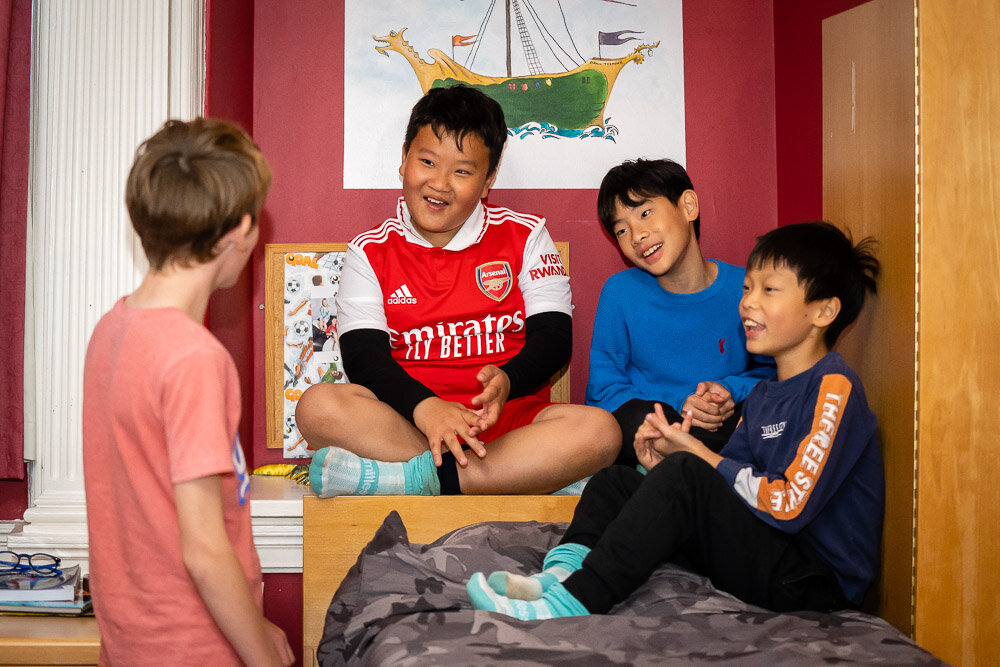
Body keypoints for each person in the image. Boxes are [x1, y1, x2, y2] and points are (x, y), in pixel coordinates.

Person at [467, 221, 884, 620]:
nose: (748, 303)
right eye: (746, 288)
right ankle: (561, 577)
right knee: (616, 481)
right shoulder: (763, 395)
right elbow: (729, 483)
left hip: (812, 581)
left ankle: (577, 599)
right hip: (767, 550)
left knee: (687, 472)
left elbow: (788, 504)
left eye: (769, 290)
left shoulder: (834, 387)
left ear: (825, 311)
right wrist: (661, 464)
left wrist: (697, 457)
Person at [295, 85, 619, 496]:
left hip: (503, 426)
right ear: (403, 160)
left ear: (488, 181)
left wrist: (509, 381)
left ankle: (417, 480)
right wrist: (426, 408)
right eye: (427, 161)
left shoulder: (526, 235)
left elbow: (554, 339)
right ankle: (512, 479)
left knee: (601, 432)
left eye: (462, 171)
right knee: (317, 407)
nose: (440, 183)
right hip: (410, 422)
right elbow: (364, 359)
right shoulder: (369, 251)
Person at [82, 118, 294, 666]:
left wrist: (255, 626)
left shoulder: (111, 330)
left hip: (133, 641)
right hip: (193, 647)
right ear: (239, 233)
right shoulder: (195, 360)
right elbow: (203, 549)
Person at [587, 159, 774, 465]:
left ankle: (692, 462)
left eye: (646, 213)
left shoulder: (746, 288)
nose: (637, 236)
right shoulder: (619, 292)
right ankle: (699, 462)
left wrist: (729, 391)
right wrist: (679, 404)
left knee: (767, 413)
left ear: (688, 206)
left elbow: (775, 371)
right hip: (656, 421)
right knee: (624, 420)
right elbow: (603, 391)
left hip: (725, 420)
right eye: (622, 230)